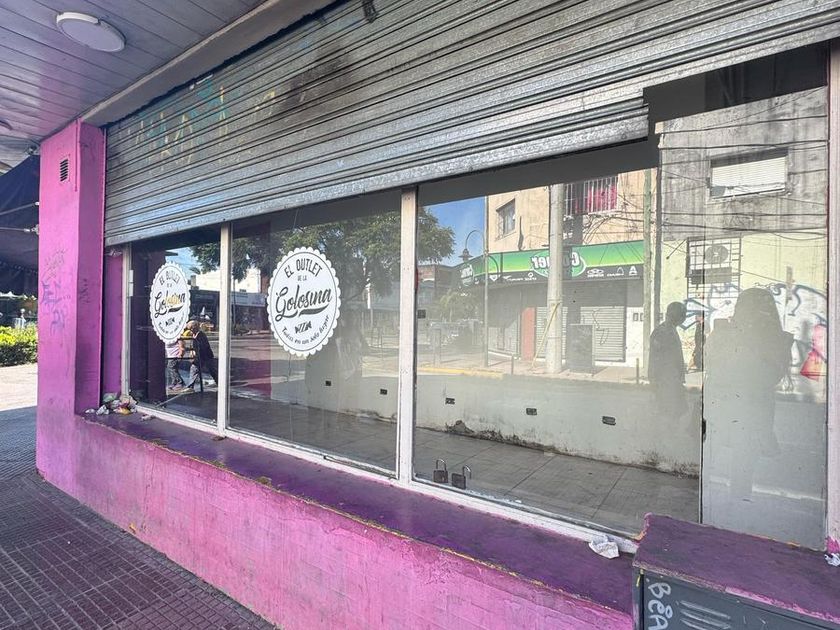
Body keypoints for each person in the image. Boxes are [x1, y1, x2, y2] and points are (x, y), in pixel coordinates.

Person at [703, 287, 793, 503]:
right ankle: (716, 499)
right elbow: (712, 364)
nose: (752, 314)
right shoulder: (726, 332)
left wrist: (756, 339)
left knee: (743, 466)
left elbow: (772, 375)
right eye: (746, 308)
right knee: (710, 460)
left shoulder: (771, 337)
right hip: (723, 407)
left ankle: (738, 503)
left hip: (750, 411)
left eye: (758, 309)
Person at [648, 301, 688, 417]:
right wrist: (656, 381)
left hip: (672, 381)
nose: (684, 318)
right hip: (666, 383)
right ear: (675, 315)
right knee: (668, 414)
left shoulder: (671, 330)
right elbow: (657, 359)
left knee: (676, 412)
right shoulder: (662, 332)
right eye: (682, 315)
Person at [186, 320, 218, 390]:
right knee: (194, 370)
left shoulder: (201, 335)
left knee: (212, 370)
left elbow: (203, 346)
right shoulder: (193, 335)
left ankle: (219, 382)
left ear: (195, 327)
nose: (190, 330)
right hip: (199, 357)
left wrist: (195, 352)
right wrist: (191, 351)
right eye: (189, 329)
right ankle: (190, 386)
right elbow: (192, 345)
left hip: (206, 356)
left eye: (191, 328)